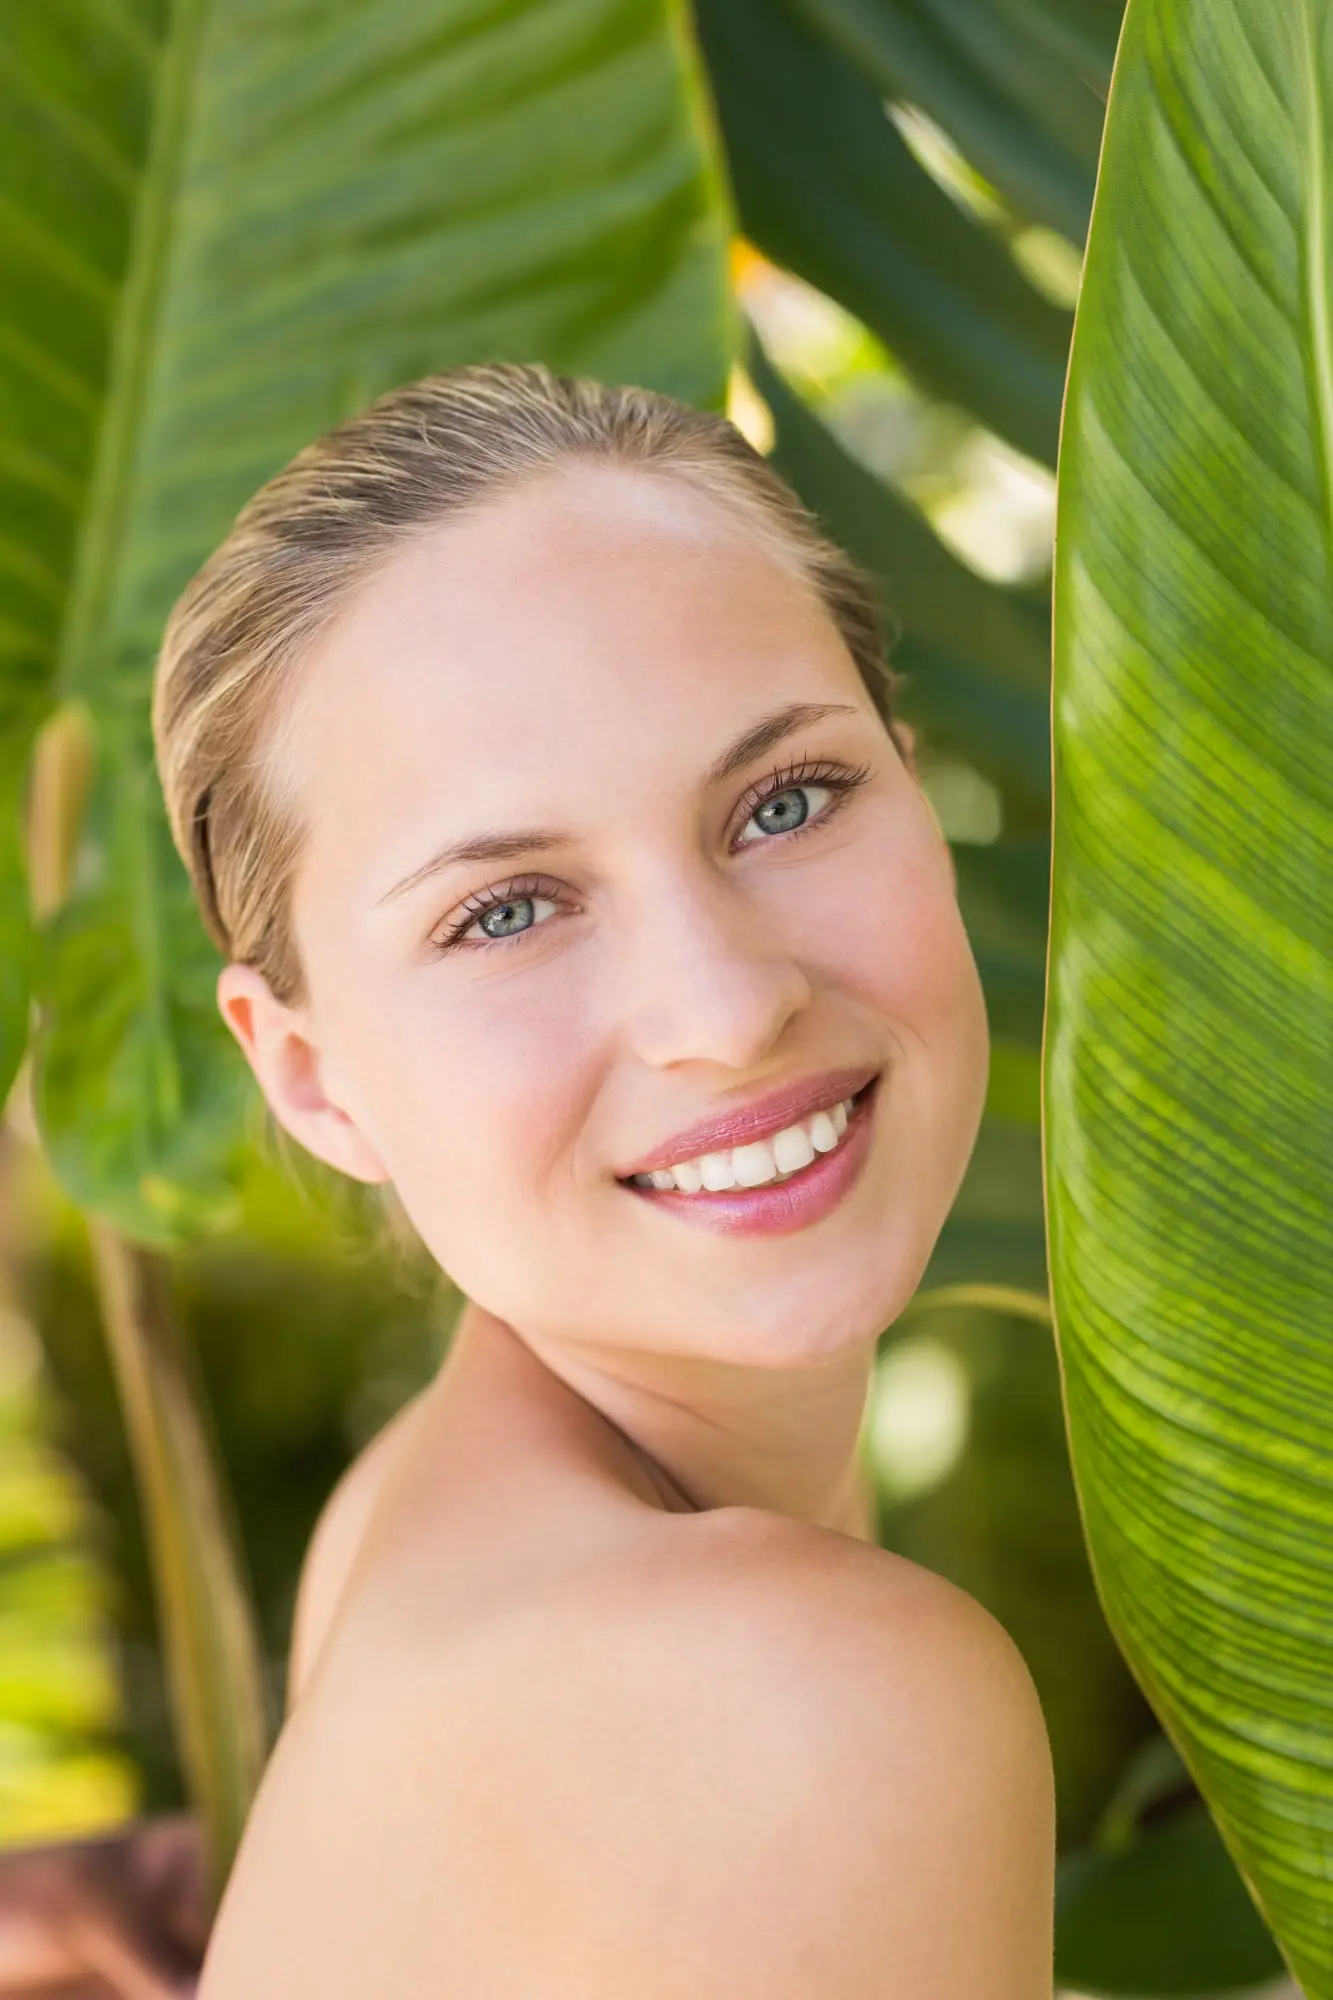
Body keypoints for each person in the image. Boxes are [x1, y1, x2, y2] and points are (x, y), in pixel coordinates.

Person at [151, 361, 1056, 1997]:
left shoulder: (426, 1506)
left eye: (786, 802)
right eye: (505, 910)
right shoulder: (802, 1698)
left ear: (914, 786)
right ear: (307, 1073)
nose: (727, 1009)